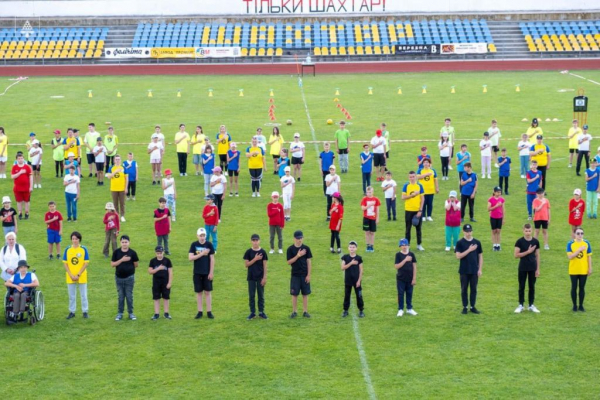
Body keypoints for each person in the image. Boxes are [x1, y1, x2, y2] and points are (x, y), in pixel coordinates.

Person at [455, 224, 483, 315]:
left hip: (474, 270)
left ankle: (472, 306)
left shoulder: (477, 242)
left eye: (470, 231)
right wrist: (469, 250)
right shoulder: (460, 243)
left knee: (474, 289)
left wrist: (480, 269)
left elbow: (480, 256)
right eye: (467, 231)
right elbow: (458, 256)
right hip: (464, 270)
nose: (468, 233)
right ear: (463, 231)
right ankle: (465, 306)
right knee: (464, 289)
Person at [111, 235, 140, 321]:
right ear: (120, 242)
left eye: (126, 242)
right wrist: (122, 260)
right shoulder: (116, 252)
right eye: (123, 242)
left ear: (129, 242)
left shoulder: (133, 253)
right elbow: (112, 264)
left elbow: (136, 264)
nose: (124, 244)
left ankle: (131, 313)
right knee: (120, 296)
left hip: (129, 278)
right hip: (119, 278)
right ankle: (120, 313)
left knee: (129, 295)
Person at [189, 228, 215, 319]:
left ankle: (209, 311)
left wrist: (211, 272)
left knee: (208, 292)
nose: (202, 237)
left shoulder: (209, 245)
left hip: (207, 272)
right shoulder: (194, 245)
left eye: (203, 235)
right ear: (197, 236)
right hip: (197, 272)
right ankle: (200, 311)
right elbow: (190, 258)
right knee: (199, 292)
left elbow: (212, 259)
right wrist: (202, 253)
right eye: (201, 235)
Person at [514, 224, 541, 314]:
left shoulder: (536, 242)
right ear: (523, 231)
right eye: (526, 231)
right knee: (521, 286)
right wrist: (528, 252)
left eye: (529, 231)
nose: (528, 233)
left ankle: (531, 305)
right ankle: (521, 305)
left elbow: (537, 255)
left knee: (532, 287)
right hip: (522, 267)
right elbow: (516, 255)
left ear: (532, 231)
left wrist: (538, 269)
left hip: (532, 267)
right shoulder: (519, 242)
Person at [62, 231, 89, 319]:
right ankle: (72, 311)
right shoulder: (68, 249)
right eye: (73, 239)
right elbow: (65, 263)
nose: (74, 241)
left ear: (79, 240)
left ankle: (85, 311)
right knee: (71, 295)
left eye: (76, 239)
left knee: (83, 295)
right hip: (70, 276)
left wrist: (78, 274)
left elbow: (86, 263)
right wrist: (70, 274)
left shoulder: (83, 249)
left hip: (81, 275)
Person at [287, 230, 312, 318]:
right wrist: (298, 255)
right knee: (294, 294)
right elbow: (289, 262)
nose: (299, 240)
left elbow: (309, 262)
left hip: (304, 275)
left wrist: (308, 275)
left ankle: (305, 311)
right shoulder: (290, 249)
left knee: (305, 294)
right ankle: (294, 311)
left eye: (301, 238)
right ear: (294, 239)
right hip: (295, 275)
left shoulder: (307, 248)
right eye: (298, 238)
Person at [5, 260, 38, 324]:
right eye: (21, 267)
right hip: (16, 291)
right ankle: (15, 313)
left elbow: (37, 283)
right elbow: (7, 283)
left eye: (24, 267)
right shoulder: (15, 276)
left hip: (26, 291)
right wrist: (16, 286)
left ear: (27, 268)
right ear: (19, 269)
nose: (23, 269)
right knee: (16, 295)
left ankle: (21, 312)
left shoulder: (31, 275)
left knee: (23, 295)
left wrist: (25, 285)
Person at [567, 228, 592, 312]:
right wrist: (579, 250)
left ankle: (581, 305)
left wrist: (590, 268)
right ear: (574, 234)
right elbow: (570, 257)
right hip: (573, 270)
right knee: (574, 287)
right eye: (578, 233)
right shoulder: (570, 244)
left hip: (583, 270)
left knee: (582, 288)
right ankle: (574, 305)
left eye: (581, 233)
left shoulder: (586, 243)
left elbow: (589, 256)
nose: (580, 235)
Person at [244, 233, 268, 320]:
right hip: (251, 277)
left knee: (261, 295)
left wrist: (265, 277)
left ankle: (261, 312)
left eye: (256, 240)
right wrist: (255, 259)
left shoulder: (263, 252)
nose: (255, 242)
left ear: (259, 241)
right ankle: (252, 312)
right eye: (253, 240)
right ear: (251, 241)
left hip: (260, 277)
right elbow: (246, 264)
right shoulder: (248, 252)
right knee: (252, 295)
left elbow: (265, 265)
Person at [148, 245, 173, 320]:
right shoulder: (153, 261)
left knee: (166, 297)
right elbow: (150, 271)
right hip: (156, 282)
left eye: (160, 253)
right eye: (158, 253)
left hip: (165, 282)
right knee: (156, 298)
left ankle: (166, 313)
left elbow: (170, 272)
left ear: (163, 252)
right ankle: (156, 313)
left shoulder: (167, 261)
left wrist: (169, 283)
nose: (159, 254)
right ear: (155, 253)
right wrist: (158, 268)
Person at [401, 171, 425, 251]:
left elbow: (422, 199)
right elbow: (403, 197)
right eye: (410, 177)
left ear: (416, 177)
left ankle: (419, 244)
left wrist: (420, 210)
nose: (412, 178)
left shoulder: (419, 186)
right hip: (408, 210)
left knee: (418, 228)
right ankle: (407, 245)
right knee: (408, 229)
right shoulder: (406, 186)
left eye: (413, 176)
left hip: (417, 210)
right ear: (409, 177)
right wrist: (413, 195)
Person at [341, 241, 364, 318]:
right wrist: (351, 263)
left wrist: (359, 281)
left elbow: (361, 270)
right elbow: (342, 268)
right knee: (347, 295)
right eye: (350, 247)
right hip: (348, 281)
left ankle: (361, 310)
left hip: (356, 281)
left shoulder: (359, 258)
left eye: (353, 247)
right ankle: (345, 310)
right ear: (348, 248)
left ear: (356, 248)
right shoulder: (345, 257)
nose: (352, 248)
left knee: (359, 296)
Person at [395, 238, 418, 317]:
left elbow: (414, 266)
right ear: (400, 246)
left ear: (408, 245)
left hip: (410, 278)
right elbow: (397, 266)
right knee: (400, 294)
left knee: (409, 293)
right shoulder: (398, 255)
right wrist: (405, 260)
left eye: (405, 245)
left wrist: (414, 278)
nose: (404, 247)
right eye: (402, 245)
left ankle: (409, 308)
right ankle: (400, 309)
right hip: (401, 278)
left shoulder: (412, 254)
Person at [11, 152, 33, 220]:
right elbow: (12, 177)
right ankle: (20, 213)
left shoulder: (27, 167)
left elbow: (31, 177)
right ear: (17, 160)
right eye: (19, 158)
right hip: (17, 188)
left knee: (27, 201)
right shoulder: (14, 167)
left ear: (23, 159)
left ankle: (26, 213)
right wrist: (20, 172)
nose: (20, 160)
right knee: (19, 201)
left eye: (21, 158)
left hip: (26, 188)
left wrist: (31, 186)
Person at [106, 155, 128, 222]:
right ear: (114, 160)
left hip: (122, 188)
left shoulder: (123, 168)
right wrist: (116, 171)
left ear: (120, 160)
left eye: (118, 159)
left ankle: (122, 216)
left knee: (122, 203)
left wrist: (126, 187)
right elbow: (109, 177)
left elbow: (126, 178)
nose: (117, 161)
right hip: (114, 188)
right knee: (115, 203)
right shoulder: (111, 168)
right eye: (116, 159)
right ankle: (116, 215)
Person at [361, 186, 380, 253]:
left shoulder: (376, 199)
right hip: (366, 218)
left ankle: (371, 245)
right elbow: (362, 208)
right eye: (367, 192)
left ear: (373, 192)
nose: (369, 193)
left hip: (373, 218)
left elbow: (377, 209)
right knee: (367, 232)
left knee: (372, 232)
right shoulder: (364, 199)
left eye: (370, 192)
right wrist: (369, 205)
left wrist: (377, 218)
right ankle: (368, 245)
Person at [487, 187, 505, 251]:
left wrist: (503, 218)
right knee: (494, 231)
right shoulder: (491, 199)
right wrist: (496, 206)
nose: (499, 193)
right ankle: (494, 245)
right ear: (494, 192)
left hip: (499, 217)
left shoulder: (502, 199)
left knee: (498, 231)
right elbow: (488, 209)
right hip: (493, 217)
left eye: (500, 192)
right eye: (497, 192)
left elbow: (503, 209)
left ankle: (498, 245)